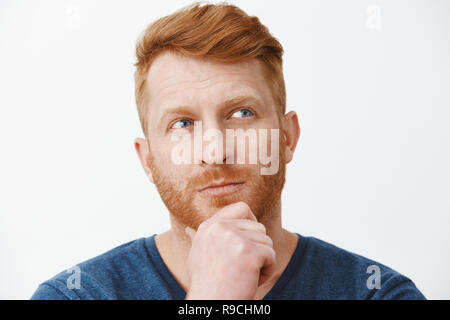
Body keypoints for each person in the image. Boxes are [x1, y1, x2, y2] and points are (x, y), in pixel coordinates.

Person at [31, 2, 425, 300]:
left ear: (287, 138)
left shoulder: (378, 294)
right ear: (147, 160)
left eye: (241, 113)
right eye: (182, 124)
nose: (215, 151)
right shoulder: (75, 295)